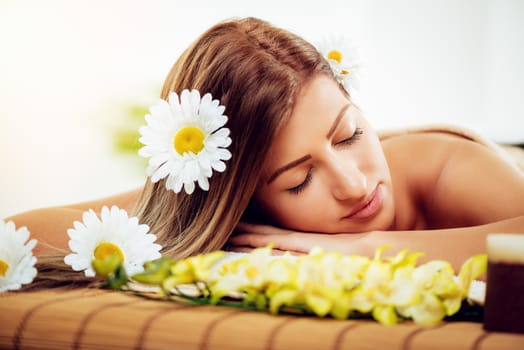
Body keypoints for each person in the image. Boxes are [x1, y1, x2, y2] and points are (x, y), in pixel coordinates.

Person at [6, 17, 524, 277]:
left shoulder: (443, 167)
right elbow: (17, 236)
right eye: (299, 180)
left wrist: (359, 250)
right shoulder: (244, 223)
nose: (355, 184)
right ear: (247, 198)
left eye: (350, 135)